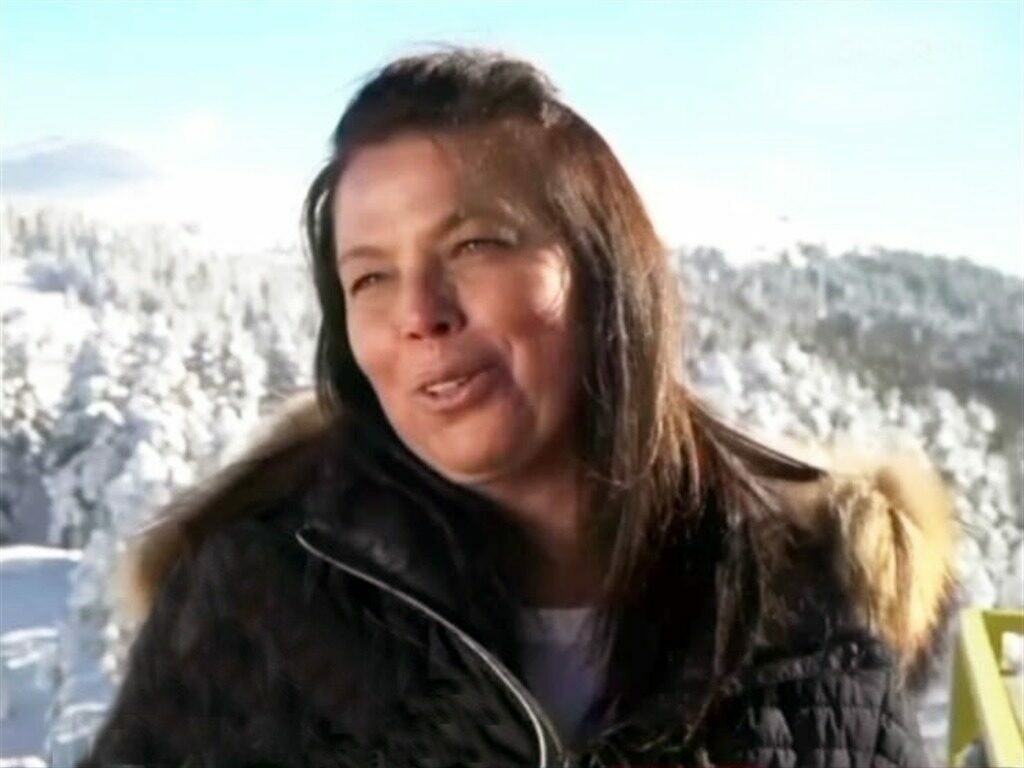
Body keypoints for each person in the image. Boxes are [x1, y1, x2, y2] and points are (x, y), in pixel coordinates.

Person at [78, 48, 956, 768]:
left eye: (475, 245)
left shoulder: (805, 600)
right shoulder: (255, 599)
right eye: (370, 277)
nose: (420, 314)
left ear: (605, 273)